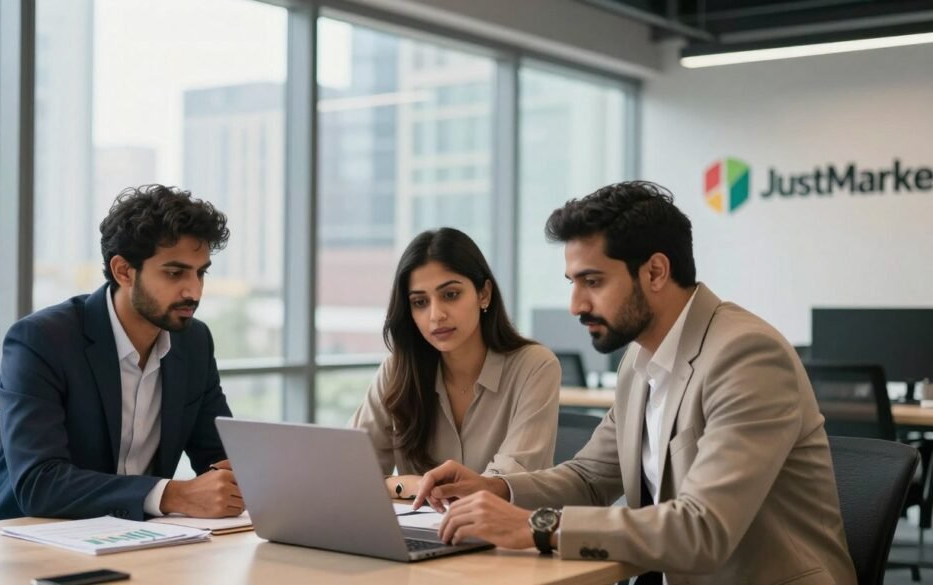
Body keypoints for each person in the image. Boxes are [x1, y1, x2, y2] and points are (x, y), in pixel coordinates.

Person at [413, 183, 855, 585]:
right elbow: (590, 478)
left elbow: (703, 529)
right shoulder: (639, 359)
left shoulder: (746, 356)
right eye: (573, 282)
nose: (575, 304)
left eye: (593, 281)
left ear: (656, 272)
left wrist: (535, 526)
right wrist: (497, 490)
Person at [0, 185, 244, 521]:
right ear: (123, 271)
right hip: (34, 541)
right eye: (175, 273)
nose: (194, 291)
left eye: (201, 272)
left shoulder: (193, 342)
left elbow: (218, 455)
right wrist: (171, 494)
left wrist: (253, 477)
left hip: (144, 542)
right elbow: (40, 483)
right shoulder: (42, 340)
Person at [351, 227, 561, 499]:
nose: (436, 315)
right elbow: (351, 474)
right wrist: (406, 485)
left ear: (484, 294)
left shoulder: (535, 367)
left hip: (504, 536)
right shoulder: (397, 370)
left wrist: (413, 486)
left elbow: (505, 483)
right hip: (419, 535)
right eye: (420, 302)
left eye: (450, 295)